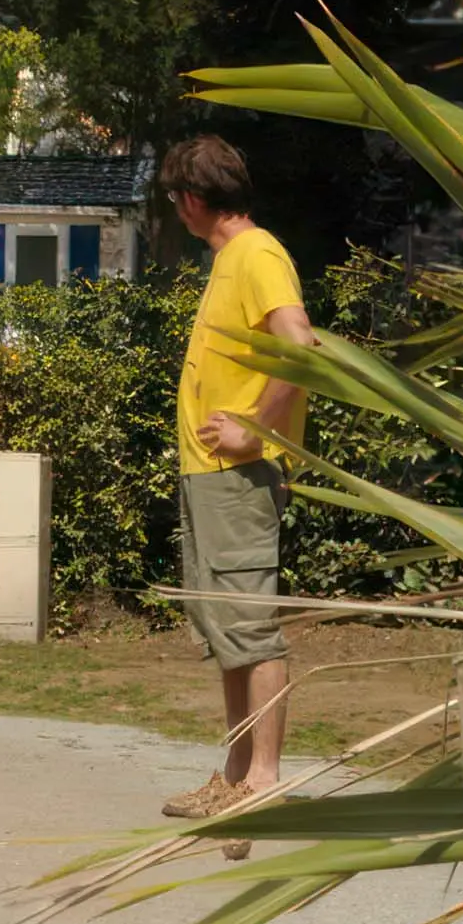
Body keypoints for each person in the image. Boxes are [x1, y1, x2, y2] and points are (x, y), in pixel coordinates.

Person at [157, 136, 315, 850]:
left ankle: (265, 782)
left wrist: (255, 428)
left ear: (192, 200)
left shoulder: (256, 254)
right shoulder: (230, 260)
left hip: (238, 476)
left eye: (173, 200)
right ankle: (236, 775)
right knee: (226, 632)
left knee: (250, 626)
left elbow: (301, 346)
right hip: (210, 475)